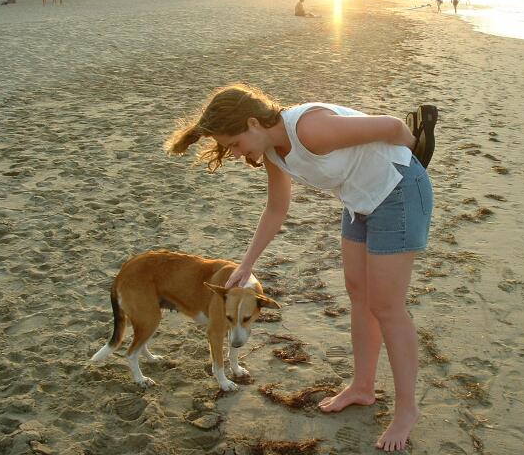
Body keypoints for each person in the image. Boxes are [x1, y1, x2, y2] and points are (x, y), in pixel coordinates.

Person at [165, 84, 434, 452]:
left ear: (253, 123)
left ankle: (406, 410)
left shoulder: (309, 128)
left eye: (234, 143)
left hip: (398, 190)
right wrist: (247, 264)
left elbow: (391, 126)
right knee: (359, 294)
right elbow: (277, 208)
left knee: (387, 306)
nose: (235, 153)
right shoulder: (273, 152)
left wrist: (412, 156)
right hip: (358, 200)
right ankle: (362, 387)